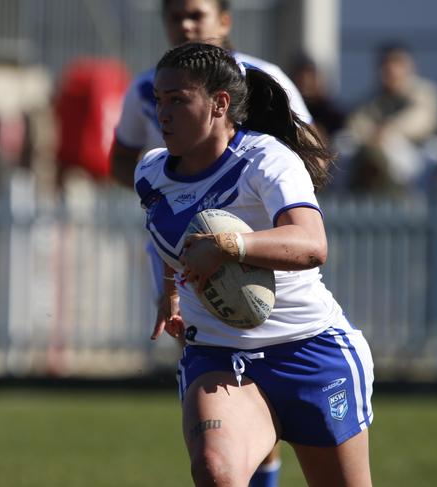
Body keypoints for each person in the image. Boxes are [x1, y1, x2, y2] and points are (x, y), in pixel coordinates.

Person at [135, 42, 374, 487]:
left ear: (219, 104)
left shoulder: (267, 160)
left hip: (310, 349)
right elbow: (172, 238)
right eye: (158, 101)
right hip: (218, 353)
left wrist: (228, 246)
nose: (162, 114)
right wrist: (170, 291)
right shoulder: (150, 172)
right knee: (215, 469)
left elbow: (311, 243)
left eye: (178, 100)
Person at [112, 4, 312, 482]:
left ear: (225, 21)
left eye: (196, 13)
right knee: (220, 418)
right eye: (174, 15)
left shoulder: (266, 82)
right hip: (183, 246)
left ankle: (265, 452)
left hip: (261, 253)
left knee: (264, 361)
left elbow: (310, 155)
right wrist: (179, 189)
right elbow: (121, 159)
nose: (184, 24)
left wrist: (242, 193)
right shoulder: (145, 88)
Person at [340, 42, 437, 194]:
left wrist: (387, 130)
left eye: (397, 63)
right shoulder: (373, 98)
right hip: (376, 148)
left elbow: (422, 122)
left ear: (409, 67)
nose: (390, 70)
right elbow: (355, 123)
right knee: (342, 143)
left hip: (415, 155)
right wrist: (373, 135)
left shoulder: (424, 92)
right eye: (386, 64)